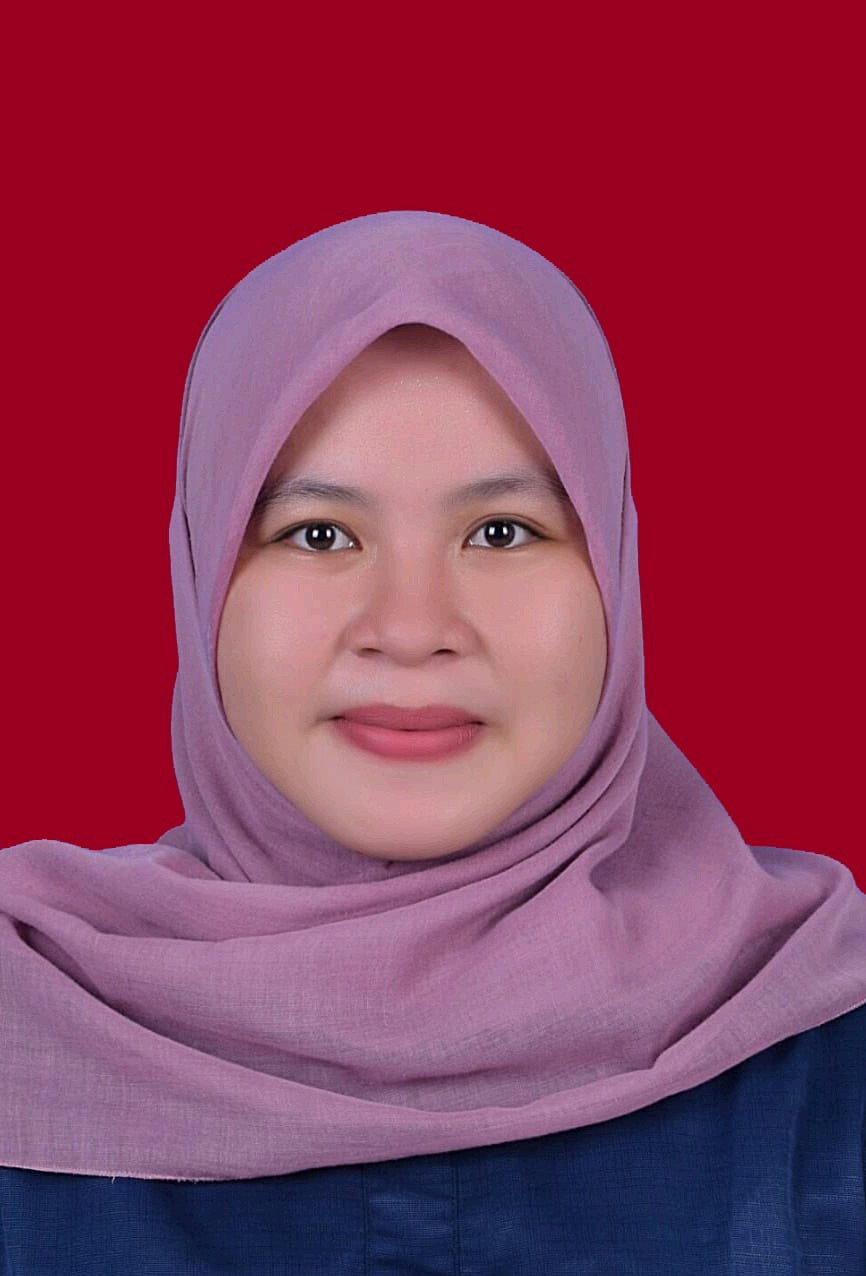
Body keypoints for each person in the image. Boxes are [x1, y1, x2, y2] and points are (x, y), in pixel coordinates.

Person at [1, 209, 864, 1273]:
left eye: (501, 532)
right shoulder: (30, 1018)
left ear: (614, 571)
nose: (411, 628)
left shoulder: (826, 1056)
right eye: (319, 534)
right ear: (200, 574)